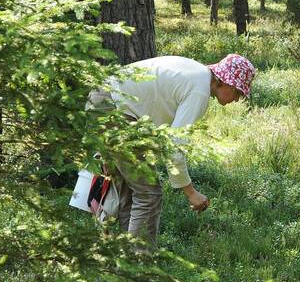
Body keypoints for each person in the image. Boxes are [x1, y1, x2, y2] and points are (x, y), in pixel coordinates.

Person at [87, 53, 255, 249]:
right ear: (226, 82)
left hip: (102, 98)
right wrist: (191, 193)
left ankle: (127, 263)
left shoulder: (197, 73)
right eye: (238, 92)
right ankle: (140, 265)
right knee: (148, 193)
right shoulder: (199, 90)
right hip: (114, 108)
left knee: (133, 191)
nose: (237, 99)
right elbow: (174, 148)